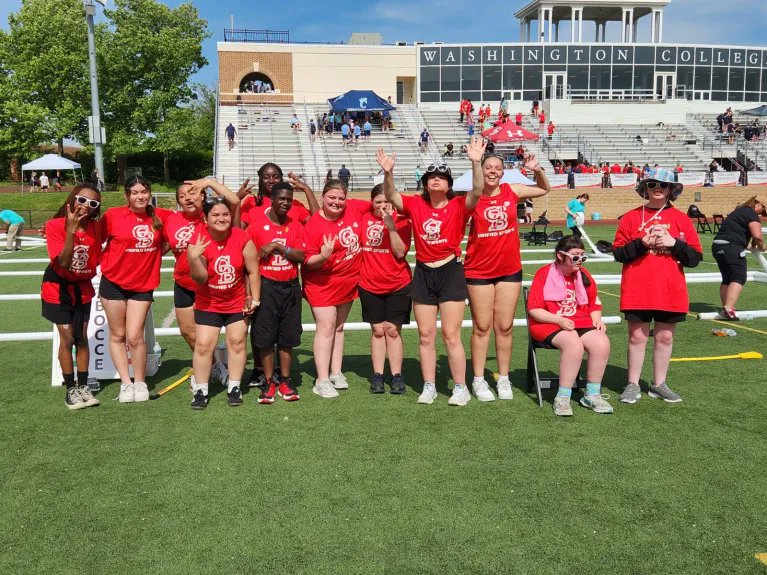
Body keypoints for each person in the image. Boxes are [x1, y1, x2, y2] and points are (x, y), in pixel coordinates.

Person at [377, 149, 470, 406]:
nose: (436, 180)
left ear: (450, 184)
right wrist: (388, 172)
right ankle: (429, 385)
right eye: (431, 177)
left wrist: (475, 161)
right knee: (426, 335)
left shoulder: (459, 205)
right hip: (423, 273)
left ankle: (460, 387)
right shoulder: (417, 204)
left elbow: (477, 191)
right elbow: (392, 195)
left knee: (451, 335)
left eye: (441, 176)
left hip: (450, 272)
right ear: (425, 184)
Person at [463, 137, 551, 401]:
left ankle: (503, 379)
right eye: (487, 167)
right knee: (482, 326)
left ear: (503, 172)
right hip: (478, 271)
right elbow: (475, 188)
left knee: (505, 326)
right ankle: (478, 380)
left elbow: (544, 189)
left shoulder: (512, 191)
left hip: (509, 270)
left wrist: (536, 169)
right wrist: (475, 162)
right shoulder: (473, 196)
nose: (492, 171)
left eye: (496, 168)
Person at [613, 168, 702, 405]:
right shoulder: (631, 217)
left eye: (663, 184)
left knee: (664, 338)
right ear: (645, 188)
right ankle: (632, 383)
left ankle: (659, 384)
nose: (658, 188)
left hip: (670, 290)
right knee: (637, 337)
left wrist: (675, 244)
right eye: (652, 184)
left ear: (672, 189)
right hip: (637, 289)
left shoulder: (681, 219)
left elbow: (694, 259)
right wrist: (642, 243)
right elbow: (619, 254)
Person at [163, 178, 241, 390]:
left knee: (209, 334)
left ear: (203, 195)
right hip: (183, 283)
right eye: (182, 195)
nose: (188, 197)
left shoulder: (212, 215)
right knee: (188, 332)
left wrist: (209, 181)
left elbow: (234, 202)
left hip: (211, 285)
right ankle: (214, 366)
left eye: (193, 192)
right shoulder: (170, 219)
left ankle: (208, 370)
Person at [99, 175, 171, 404]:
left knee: (135, 336)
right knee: (118, 335)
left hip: (142, 285)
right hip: (113, 283)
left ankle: (139, 382)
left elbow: (181, 231)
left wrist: (155, 256)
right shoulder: (113, 215)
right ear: (127, 195)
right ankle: (125, 383)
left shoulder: (163, 216)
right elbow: (91, 235)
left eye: (144, 192)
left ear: (150, 193)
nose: (140, 196)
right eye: (135, 192)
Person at [187, 197, 260, 409]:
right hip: (208, 302)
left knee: (237, 342)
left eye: (225, 214)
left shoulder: (242, 237)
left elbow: (253, 270)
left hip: (236, 301)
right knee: (203, 346)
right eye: (216, 215)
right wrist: (194, 258)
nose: (222, 218)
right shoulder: (198, 239)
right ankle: (201, 390)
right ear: (206, 218)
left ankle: (234, 387)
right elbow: (200, 279)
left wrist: (254, 298)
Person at [527, 236, 613, 416]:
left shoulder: (584, 275)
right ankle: (563, 396)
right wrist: (558, 320)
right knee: (573, 343)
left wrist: (596, 319)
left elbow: (594, 303)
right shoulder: (544, 273)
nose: (580, 261)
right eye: (575, 257)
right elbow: (534, 309)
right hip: (547, 322)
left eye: (583, 256)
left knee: (601, 343)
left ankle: (592, 394)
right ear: (560, 255)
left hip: (579, 321)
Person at [302, 179, 371, 399]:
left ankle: (335, 371)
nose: (337, 202)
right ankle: (321, 380)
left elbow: (378, 205)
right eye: (332, 197)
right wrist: (323, 256)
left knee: (339, 327)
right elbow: (307, 261)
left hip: (348, 282)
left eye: (341, 198)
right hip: (321, 284)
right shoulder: (314, 224)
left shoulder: (354, 208)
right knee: (326, 327)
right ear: (322, 197)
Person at [41, 184, 103, 410]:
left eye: (93, 204)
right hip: (58, 288)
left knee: (82, 338)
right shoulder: (55, 225)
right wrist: (71, 231)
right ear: (72, 200)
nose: (86, 206)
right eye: (82, 200)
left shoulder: (96, 227)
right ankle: (71, 390)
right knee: (67, 339)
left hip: (83, 287)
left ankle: (84, 386)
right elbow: (64, 262)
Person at [248, 182, 305, 404]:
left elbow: (301, 256)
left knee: (287, 337)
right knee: (265, 337)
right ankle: (270, 381)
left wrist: (278, 247)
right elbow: (249, 260)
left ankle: (285, 380)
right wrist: (249, 294)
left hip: (290, 286)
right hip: (266, 286)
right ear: (272, 199)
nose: (285, 203)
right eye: (281, 198)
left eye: (289, 199)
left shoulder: (296, 225)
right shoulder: (256, 225)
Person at [359, 184, 412, 394]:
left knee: (392, 330)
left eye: (386, 201)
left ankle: (397, 375)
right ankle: (378, 375)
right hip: (369, 283)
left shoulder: (402, 221)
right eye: (378, 201)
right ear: (372, 202)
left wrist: (390, 226)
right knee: (378, 330)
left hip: (398, 283)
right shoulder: (363, 219)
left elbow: (400, 253)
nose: (382, 205)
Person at [712, 196, 766, 320]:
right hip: (731, 247)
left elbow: (747, 234)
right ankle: (729, 308)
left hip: (717, 245)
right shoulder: (751, 214)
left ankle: (725, 307)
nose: (761, 215)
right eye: (762, 211)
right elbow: (757, 236)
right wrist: (762, 247)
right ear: (758, 205)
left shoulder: (738, 212)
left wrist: (752, 245)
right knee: (739, 277)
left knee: (727, 278)